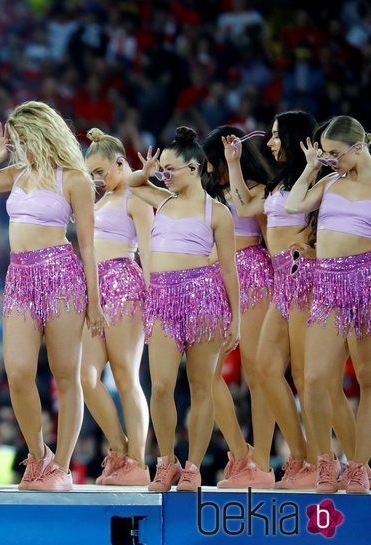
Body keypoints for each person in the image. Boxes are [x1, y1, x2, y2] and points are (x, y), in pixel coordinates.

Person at [0, 102, 102, 491]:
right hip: (19, 278)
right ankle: (39, 456)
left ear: (43, 133)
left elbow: (88, 246)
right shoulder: (16, 173)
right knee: (18, 372)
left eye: (23, 138)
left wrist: (95, 300)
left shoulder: (75, 178)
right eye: (16, 140)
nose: (20, 146)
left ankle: (63, 466)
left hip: (62, 276)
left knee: (65, 375)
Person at [229, 112, 355, 489]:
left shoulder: (319, 179)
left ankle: (341, 463)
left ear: (294, 137)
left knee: (312, 379)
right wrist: (234, 163)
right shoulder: (281, 182)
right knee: (264, 367)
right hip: (280, 280)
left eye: (276, 136)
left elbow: (332, 220)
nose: (270, 142)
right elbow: (243, 205)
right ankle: (303, 459)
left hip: (306, 277)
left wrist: (312, 246)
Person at [126, 127, 239, 492]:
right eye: (164, 170)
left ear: (196, 168)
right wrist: (148, 171)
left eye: (172, 169)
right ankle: (166, 461)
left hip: (204, 297)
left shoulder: (218, 212)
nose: (165, 175)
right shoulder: (160, 198)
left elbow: (228, 269)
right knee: (160, 386)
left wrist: (235, 317)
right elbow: (129, 183)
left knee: (201, 387)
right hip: (161, 299)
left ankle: (192, 466)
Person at [285, 115, 371, 494]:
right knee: (315, 379)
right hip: (328, 283)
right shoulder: (330, 181)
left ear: (358, 146)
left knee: (367, 380)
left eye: (336, 153)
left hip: (365, 283)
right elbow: (293, 205)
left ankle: (360, 466)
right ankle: (325, 461)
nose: (332, 160)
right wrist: (311, 167)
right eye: (327, 154)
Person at [202, 125, 277, 488]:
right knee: (207, 373)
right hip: (213, 280)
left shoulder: (260, 190)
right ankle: (239, 453)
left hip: (254, 273)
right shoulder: (205, 193)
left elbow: (273, 236)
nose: (208, 167)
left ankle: (261, 461)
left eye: (211, 159)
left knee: (258, 372)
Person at [81, 128, 154, 486]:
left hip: (125, 283)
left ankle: (138, 462)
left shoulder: (134, 198)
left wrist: (157, 299)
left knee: (126, 375)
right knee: (87, 378)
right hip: (94, 291)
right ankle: (120, 449)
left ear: (120, 164)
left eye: (100, 172)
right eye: (91, 174)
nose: (96, 179)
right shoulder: (102, 201)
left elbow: (150, 253)